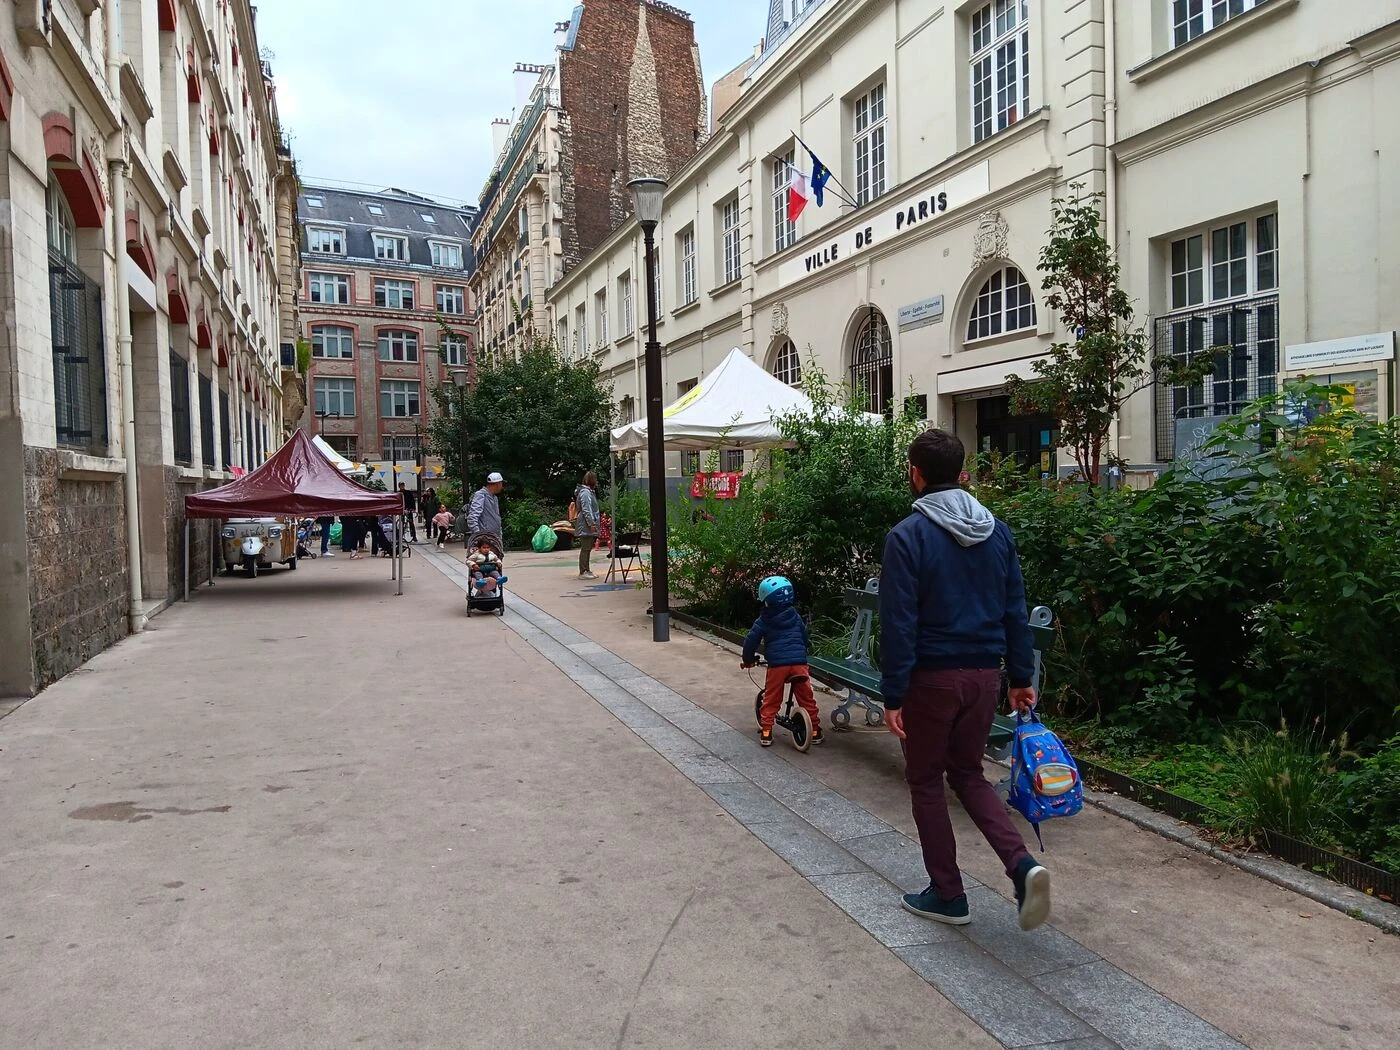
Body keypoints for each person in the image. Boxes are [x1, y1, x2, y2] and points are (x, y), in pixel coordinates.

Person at [878, 428, 1050, 931]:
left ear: (916, 472)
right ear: (962, 473)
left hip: (931, 679)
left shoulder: (907, 536)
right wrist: (1019, 676)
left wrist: (893, 692)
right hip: (984, 676)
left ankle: (949, 894)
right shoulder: (997, 532)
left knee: (926, 781)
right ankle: (1022, 866)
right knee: (970, 773)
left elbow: (899, 622)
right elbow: (1014, 610)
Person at [740, 575, 823, 748]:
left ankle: (766, 731)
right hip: (799, 663)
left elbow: (751, 641)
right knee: (806, 697)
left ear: (766, 600)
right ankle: (815, 730)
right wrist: (805, 649)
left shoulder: (763, 620)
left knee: (772, 697)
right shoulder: (795, 616)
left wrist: (748, 659)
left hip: (778, 665)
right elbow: (804, 636)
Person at [574, 471, 602, 579]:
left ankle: (587, 569)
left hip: (587, 524)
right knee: (585, 547)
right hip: (586, 524)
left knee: (588, 547)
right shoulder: (585, 493)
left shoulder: (589, 492)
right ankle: (583, 571)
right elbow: (587, 509)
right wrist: (591, 523)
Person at [465, 471, 504, 542]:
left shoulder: (495, 498)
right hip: (485, 540)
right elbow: (472, 518)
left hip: (494, 538)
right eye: (501, 483)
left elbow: (497, 517)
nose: (502, 486)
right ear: (497, 484)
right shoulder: (480, 495)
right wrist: (479, 536)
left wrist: (499, 535)